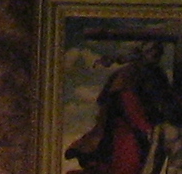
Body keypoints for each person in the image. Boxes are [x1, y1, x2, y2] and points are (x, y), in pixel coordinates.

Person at [67, 40, 175, 174]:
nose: (155, 56)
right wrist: (145, 127)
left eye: (158, 53)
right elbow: (128, 102)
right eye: (151, 52)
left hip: (144, 128)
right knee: (128, 164)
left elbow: (165, 99)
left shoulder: (157, 73)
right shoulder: (129, 74)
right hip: (124, 128)